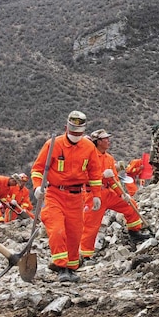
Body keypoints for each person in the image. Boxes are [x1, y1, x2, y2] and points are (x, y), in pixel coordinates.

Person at [31, 111, 103, 282]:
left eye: (79, 133)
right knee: (57, 230)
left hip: (77, 196)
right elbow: (38, 169)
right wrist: (36, 187)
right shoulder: (53, 145)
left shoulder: (88, 147)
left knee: (74, 233)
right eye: (73, 132)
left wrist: (96, 195)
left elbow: (94, 172)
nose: (76, 136)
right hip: (55, 194)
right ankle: (61, 266)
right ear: (66, 128)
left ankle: (70, 268)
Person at [80, 128, 150, 263]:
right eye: (105, 138)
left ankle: (134, 233)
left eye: (108, 138)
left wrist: (122, 194)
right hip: (93, 194)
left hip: (108, 192)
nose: (108, 141)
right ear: (98, 142)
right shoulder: (88, 157)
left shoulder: (109, 158)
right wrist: (101, 176)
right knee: (91, 225)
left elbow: (114, 180)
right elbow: (82, 178)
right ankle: (86, 255)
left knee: (131, 206)